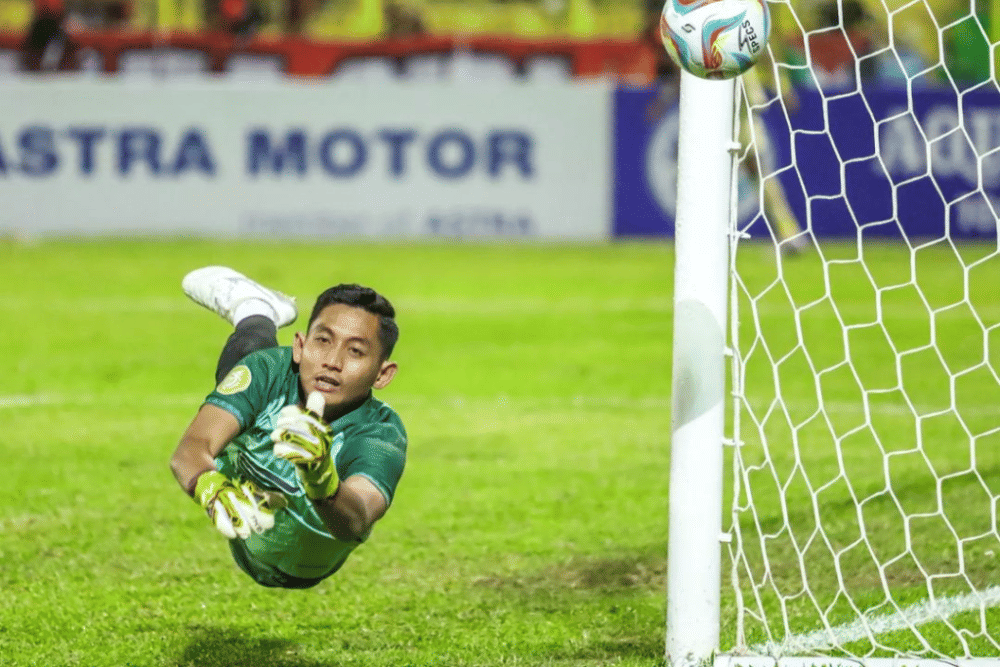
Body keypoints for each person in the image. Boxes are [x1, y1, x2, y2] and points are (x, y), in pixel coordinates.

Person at [170, 266, 406, 589]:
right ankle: (255, 311)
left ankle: (255, 308)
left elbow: (359, 517)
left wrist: (322, 477)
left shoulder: (380, 432)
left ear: (382, 374)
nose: (332, 361)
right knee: (246, 364)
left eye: (355, 351)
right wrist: (211, 487)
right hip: (244, 540)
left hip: (312, 568)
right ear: (300, 346)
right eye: (323, 341)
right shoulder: (268, 373)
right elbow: (190, 451)